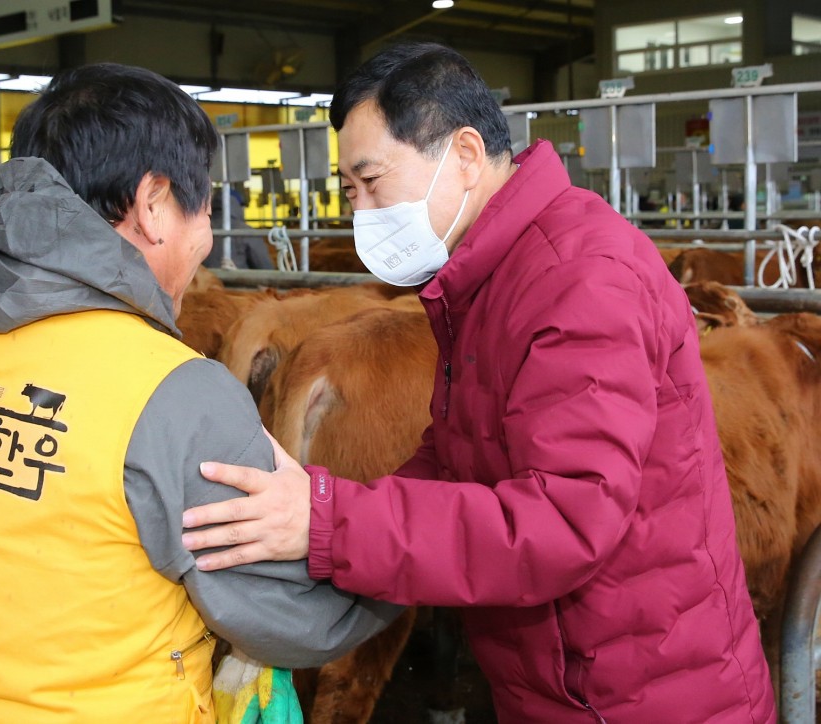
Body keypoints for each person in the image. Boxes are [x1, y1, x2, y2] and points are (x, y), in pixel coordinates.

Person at [181, 43, 777, 722]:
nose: (362, 213)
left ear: (464, 156)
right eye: (350, 192)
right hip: (567, 681)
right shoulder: (491, 279)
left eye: (373, 182)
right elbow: (460, 451)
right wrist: (329, 511)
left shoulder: (579, 279)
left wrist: (330, 524)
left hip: (643, 696)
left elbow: (565, 523)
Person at [0, 63, 401, 722]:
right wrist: (412, 550)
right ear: (153, 205)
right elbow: (289, 620)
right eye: (203, 205)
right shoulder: (168, 389)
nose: (207, 239)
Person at [204, 186, 274, 269]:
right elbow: (265, 268)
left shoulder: (201, 229)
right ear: (238, 206)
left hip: (202, 280)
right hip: (238, 280)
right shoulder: (247, 232)